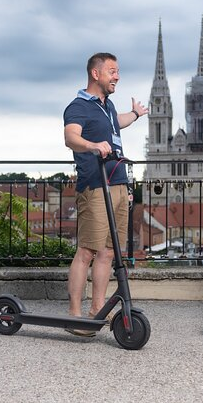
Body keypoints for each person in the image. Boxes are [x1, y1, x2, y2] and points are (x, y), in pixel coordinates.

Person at [63, 52, 148, 336]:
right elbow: (70, 137)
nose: (117, 76)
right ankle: (75, 314)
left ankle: (96, 309)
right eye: (112, 71)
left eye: (118, 71)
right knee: (87, 250)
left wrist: (135, 114)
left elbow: (117, 122)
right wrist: (92, 145)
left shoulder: (107, 107)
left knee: (109, 251)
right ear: (95, 74)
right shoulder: (78, 106)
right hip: (95, 185)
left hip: (119, 183)